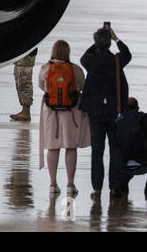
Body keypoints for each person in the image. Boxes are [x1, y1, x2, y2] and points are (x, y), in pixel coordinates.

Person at [79, 27, 132, 198]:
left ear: (96, 43)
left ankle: (97, 188)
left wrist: (96, 44)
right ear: (110, 42)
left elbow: (83, 57)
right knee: (115, 151)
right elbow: (128, 54)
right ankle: (115, 187)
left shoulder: (90, 61)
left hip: (95, 113)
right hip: (113, 112)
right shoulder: (116, 60)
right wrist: (117, 39)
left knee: (97, 151)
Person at [38, 40, 90, 196]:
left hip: (50, 110)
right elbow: (83, 85)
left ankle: (53, 184)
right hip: (71, 111)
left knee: (53, 147)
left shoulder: (45, 69)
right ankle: (70, 184)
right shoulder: (75, 69)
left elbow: (42, 86)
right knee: (70, 146)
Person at [118, 98, 147, 195]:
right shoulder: (145, 118)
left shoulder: (118, 120)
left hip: (123, 163)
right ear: (138, 108)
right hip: (145, 161)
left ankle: (122, 186)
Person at [10, 48, 38, 122]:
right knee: (18, 77)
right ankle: (24, 110)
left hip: (27, 51)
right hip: (21, 50)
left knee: (24, 81)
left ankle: (26, 111)